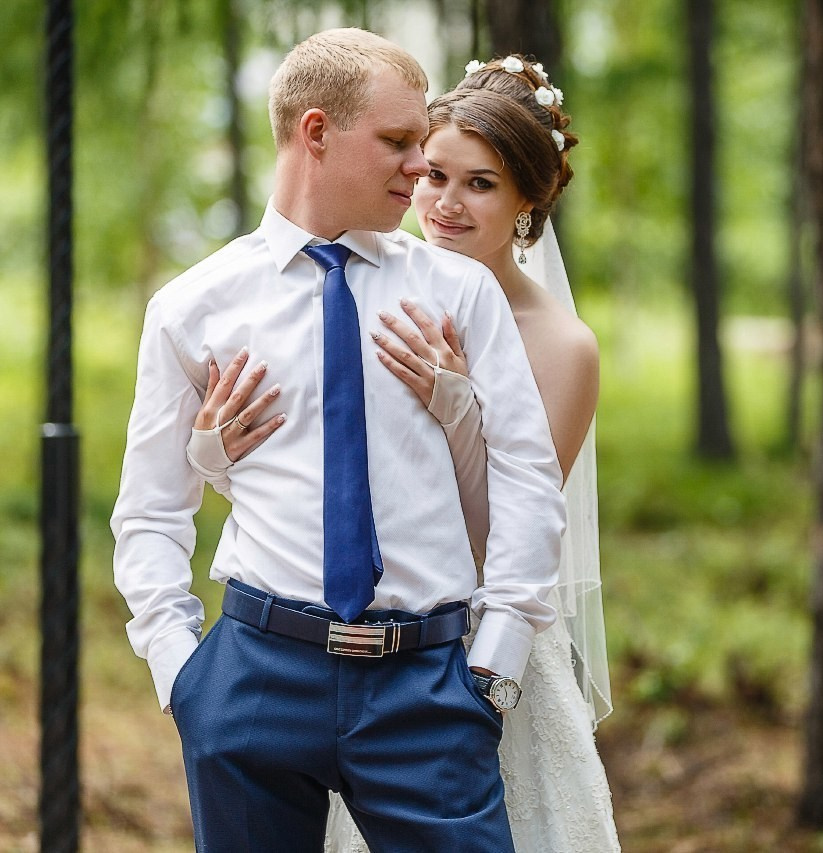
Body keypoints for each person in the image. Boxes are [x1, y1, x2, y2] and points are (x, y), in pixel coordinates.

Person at [110, 29, 565, 852]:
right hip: (254, 683)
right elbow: (149, 512)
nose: (419, 169)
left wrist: (494, 665)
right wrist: (184, 676)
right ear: (316, 132)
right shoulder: (194, 307)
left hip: (427, 688)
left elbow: (529, 480)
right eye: (397, 142)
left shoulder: (460, 293)